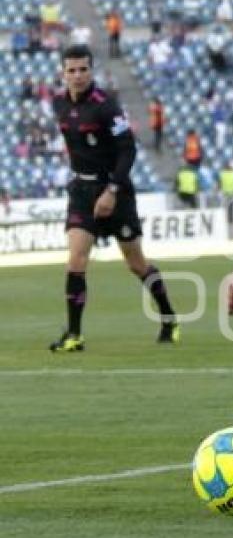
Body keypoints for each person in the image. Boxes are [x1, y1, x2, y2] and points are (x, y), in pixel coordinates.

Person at [50, 45, 179, 351]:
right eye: (72, 70)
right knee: (76, 261)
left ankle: (169, 318)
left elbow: (128, 149)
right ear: (63, 73)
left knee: (136, 264)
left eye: (84, 69)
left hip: (115, 192)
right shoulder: (58, 104)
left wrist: (112, 190)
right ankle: (75, 335)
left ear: (91, 70)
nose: (78, 75)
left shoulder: (106, 106)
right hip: (82, 192)